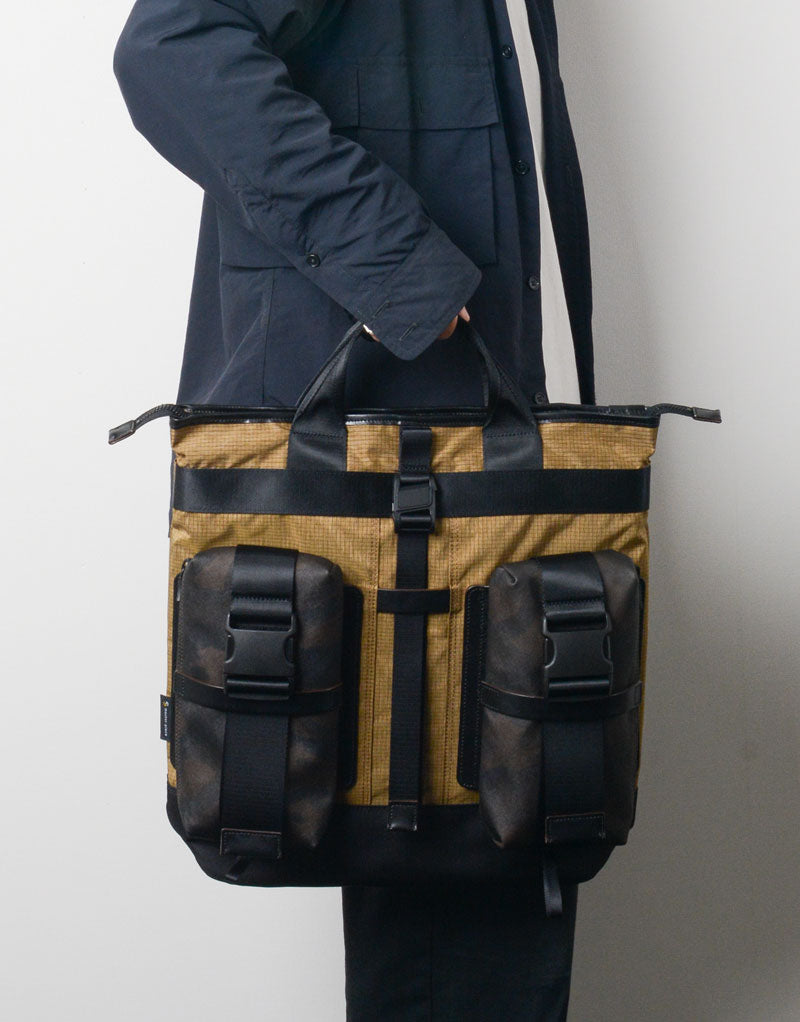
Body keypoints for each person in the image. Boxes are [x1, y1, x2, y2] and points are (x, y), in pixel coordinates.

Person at [113, 2, 594, 1017]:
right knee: (469, 853)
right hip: (385, 442)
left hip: (439, 438)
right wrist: (397, 264)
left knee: (498, 826)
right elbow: (174, 47)